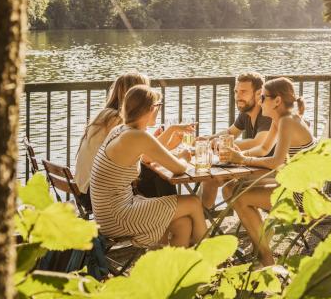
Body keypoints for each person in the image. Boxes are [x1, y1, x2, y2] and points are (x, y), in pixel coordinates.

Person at [90, 85, 207, 248]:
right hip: (118, 216)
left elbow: (146, 156)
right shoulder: (137, 136)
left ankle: (173, 270)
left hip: (108, 214)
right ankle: (211, 260)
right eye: (158, 106)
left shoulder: (121, 130)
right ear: (152, 108)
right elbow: (179, 169)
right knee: (193, 202)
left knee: (184, 223)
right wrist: (184, 157)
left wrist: (172, 129)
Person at [220, 78, 316, 265]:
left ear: (277, 101)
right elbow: (264, 149)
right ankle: (262, 239)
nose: (259, 101)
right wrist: (237, 154)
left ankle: (266, 259)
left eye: (262, 97)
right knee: (231, 187)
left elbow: (276, 161)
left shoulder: (287, 121)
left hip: (302, 194)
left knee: (240, 197)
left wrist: (242, 159)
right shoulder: (279, 120)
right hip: (289, 183)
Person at [76, 72, 190, 204]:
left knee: (152, 174)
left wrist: (167, 143)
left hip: (85, 189)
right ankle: (172, 213)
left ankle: (170, 214)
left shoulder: (105, 116)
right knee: (157, 176)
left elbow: (141, 151)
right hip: (98, 194)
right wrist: (176, 151)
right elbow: (145, 155)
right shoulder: (116, 120)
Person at [201, 72, 273, 209]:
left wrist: (222, 145)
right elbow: (230, 132)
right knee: (210, 178)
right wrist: (207, 139)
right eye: (236, 91)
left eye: (243, 92)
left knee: (224, 185)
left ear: (259, 93)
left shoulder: (266, 113)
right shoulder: (246, 112)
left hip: (269, 169)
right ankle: (200, 219)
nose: (238, 96)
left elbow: (258, 143)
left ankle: (197, 219)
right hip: (250, 165)